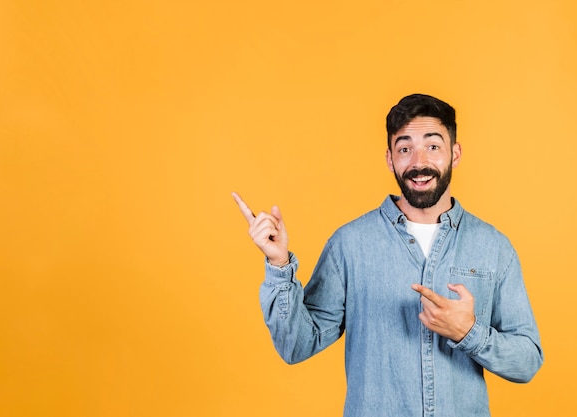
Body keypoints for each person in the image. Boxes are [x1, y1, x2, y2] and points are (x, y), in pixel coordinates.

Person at [232, 93, 543, 417]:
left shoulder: (493, 247)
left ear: (455, 153)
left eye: (433, 146)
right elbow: (296, 346)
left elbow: (527, 362)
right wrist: (279, 264)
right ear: (389, 158)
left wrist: (468, 332)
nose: (419, 161)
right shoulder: (350, 245)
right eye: (405, 148)